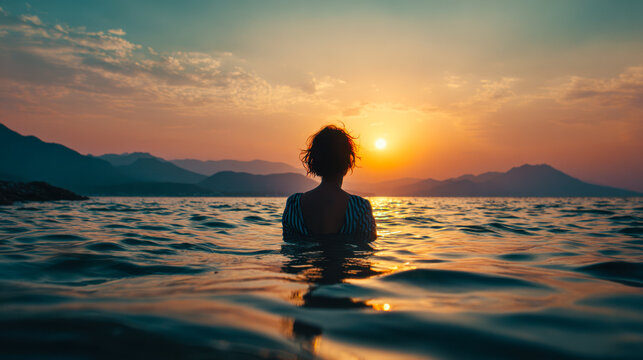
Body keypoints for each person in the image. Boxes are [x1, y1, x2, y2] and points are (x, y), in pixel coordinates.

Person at [282, 125, 376, 241]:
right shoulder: (360, 207)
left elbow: (289, 249)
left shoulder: (294, 204)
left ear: (314, 161)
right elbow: (366, 251)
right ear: (348, 162)